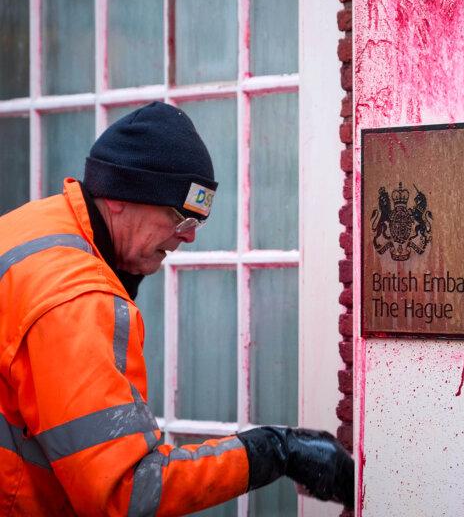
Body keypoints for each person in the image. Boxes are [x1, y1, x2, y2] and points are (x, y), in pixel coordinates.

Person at [0, 101, 353, 515]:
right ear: (118, 196)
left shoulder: (30, 229)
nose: (188, 238)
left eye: (196, 223)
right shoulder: (79, 299)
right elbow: (127, 493)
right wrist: (274, 451)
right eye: (179, 218)